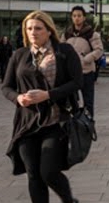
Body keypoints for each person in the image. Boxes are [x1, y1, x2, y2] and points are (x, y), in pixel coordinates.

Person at [2, 10, 83, 203]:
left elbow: (77, 82)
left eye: (38, 28)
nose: (33, 32)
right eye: (29, 28)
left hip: (55, 122)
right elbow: (6, 87)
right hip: (26, 124)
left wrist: (48, 95)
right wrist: (18, 98)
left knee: (48, 172)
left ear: (49, 30)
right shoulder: (20, 55)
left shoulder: (64, 51)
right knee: (33, 175)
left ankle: (69, 200)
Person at [64, 5, 103, 117]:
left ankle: (88, 125)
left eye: (79, 16)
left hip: (86, 72)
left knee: (88, 101)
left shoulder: (91, 33)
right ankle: (74, 125)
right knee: (71, 101)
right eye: (74, 16)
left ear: (84, 17)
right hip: (70, 73)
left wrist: (87, 59)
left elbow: (99, 50)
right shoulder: (67, 34)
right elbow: (60, 48)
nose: (77, 18)